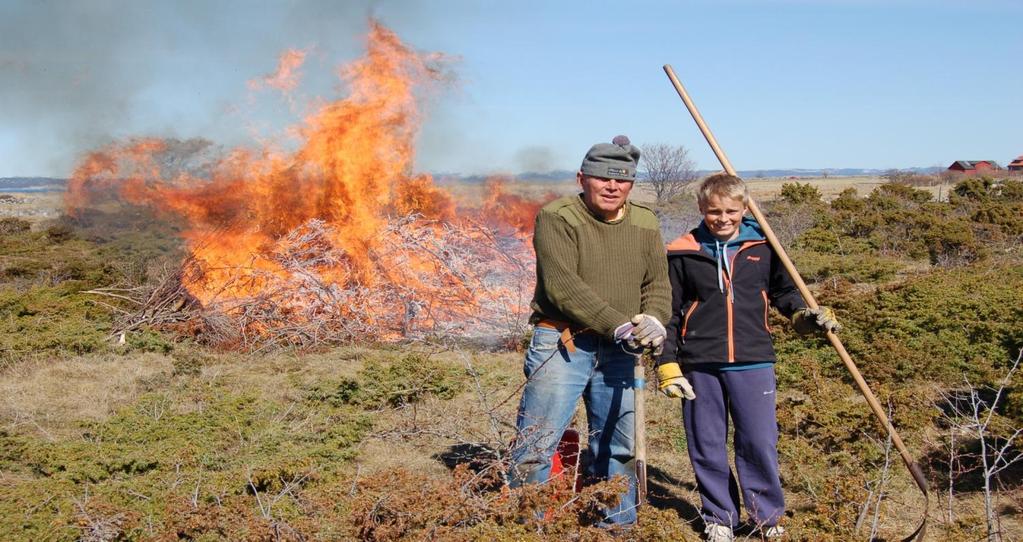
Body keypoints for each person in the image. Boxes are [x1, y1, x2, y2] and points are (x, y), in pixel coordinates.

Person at [655, 173, 840, 541]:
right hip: (699, 363)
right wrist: (667, 362)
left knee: (758, 441)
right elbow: (669, 313)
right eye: (713, 211)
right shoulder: (682, 251)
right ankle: (719, 517)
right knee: (706, 443)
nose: (722, 218)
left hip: (754, 360)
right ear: (701, 209)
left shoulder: (765, 246)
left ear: (744, 208)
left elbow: (786, 293)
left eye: (730, 211)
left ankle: (765, 518)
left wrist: (805, 316)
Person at [508, 135, 671, 527]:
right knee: (537, 443)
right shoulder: (558, 217)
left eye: (622, 180)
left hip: (623, 350)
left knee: (618, 446)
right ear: (582, 177)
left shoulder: (645, 220)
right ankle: (529, 528)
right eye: (602, 178)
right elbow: (562, 288)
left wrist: (653, 319)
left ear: (631, 184)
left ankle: (614, 526)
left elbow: (658, 283)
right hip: (564, 344)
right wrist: (618, 325)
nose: (612, 187)